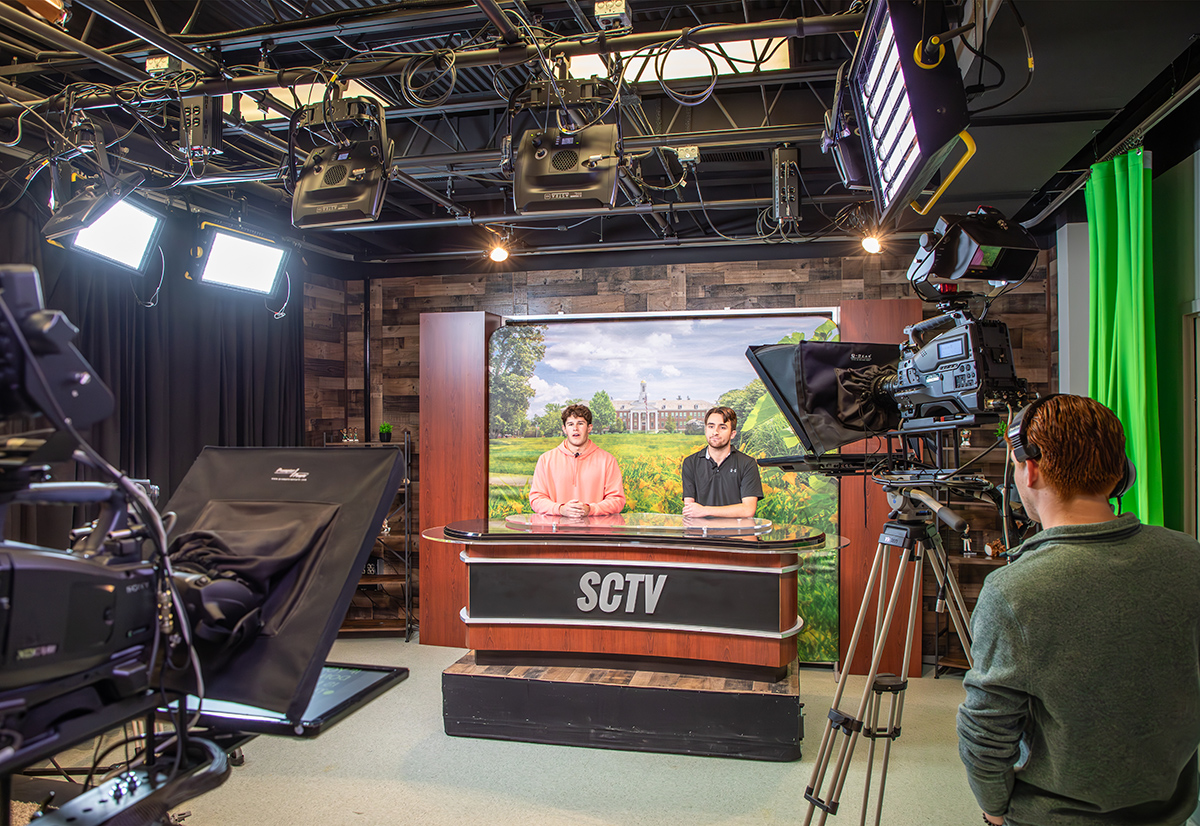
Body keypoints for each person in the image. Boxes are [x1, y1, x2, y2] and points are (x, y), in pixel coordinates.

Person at [957, 394, 1200, 826]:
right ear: (1121, 474)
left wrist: (994, 809)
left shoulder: (1012, 591)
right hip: (1172, 811)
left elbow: (986, 731)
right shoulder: (1191, 557)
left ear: (1029, 470)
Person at [529, 404, 625, 517]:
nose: (575, 428)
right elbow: (536, 499)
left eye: (580, 423)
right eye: (570, 424)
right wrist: (560, 509)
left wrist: (590, 509)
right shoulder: (546, 460)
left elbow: (617, 500)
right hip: (556, 532)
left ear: (589, 428)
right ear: (564, 429)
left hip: (594, 532)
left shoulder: (607, 460)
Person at [680, 406, 764, 518]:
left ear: (732, 434)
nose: (715, 432)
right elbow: (690, 510)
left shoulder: (747, 463)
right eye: (711, 426)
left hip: (736, 533)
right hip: (701, 533)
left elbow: (748, 510)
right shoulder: (690, 463)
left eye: (722, 427)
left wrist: (705, 510)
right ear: (705, 430)